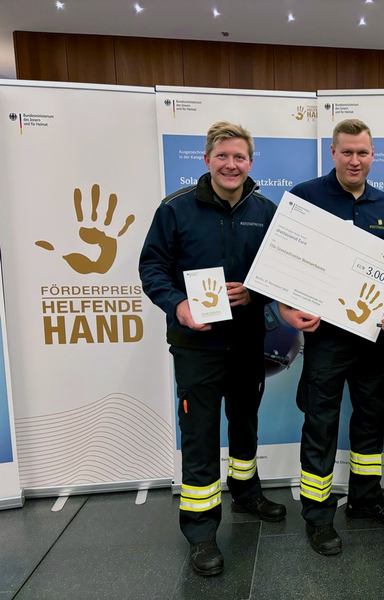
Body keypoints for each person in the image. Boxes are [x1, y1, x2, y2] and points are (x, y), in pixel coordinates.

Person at [139, 121, 285, 577]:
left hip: (247, 341)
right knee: (200, 434)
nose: (231, 164)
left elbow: (278, 273)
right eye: (222, 156)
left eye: (240, 157)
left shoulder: (266, 209)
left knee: (245, 420)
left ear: (250, 162)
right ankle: (201, 532)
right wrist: (178, 305)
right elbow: (152, 267)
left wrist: (255, 294)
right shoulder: (176, 209)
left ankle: (246, 491)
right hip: (196, 344)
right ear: (207, 160)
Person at [278, 118, 384, 556]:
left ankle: (365, 500)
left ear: (373, 155)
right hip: (326, 340)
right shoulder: (304, 197)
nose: (355, 160)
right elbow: (282, 263)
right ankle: (317, 517)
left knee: (371, 420)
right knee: (321, 425)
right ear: (333, 153)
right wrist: (286, 308)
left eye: (363, 152)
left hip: (372, 339)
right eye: (347, 152)